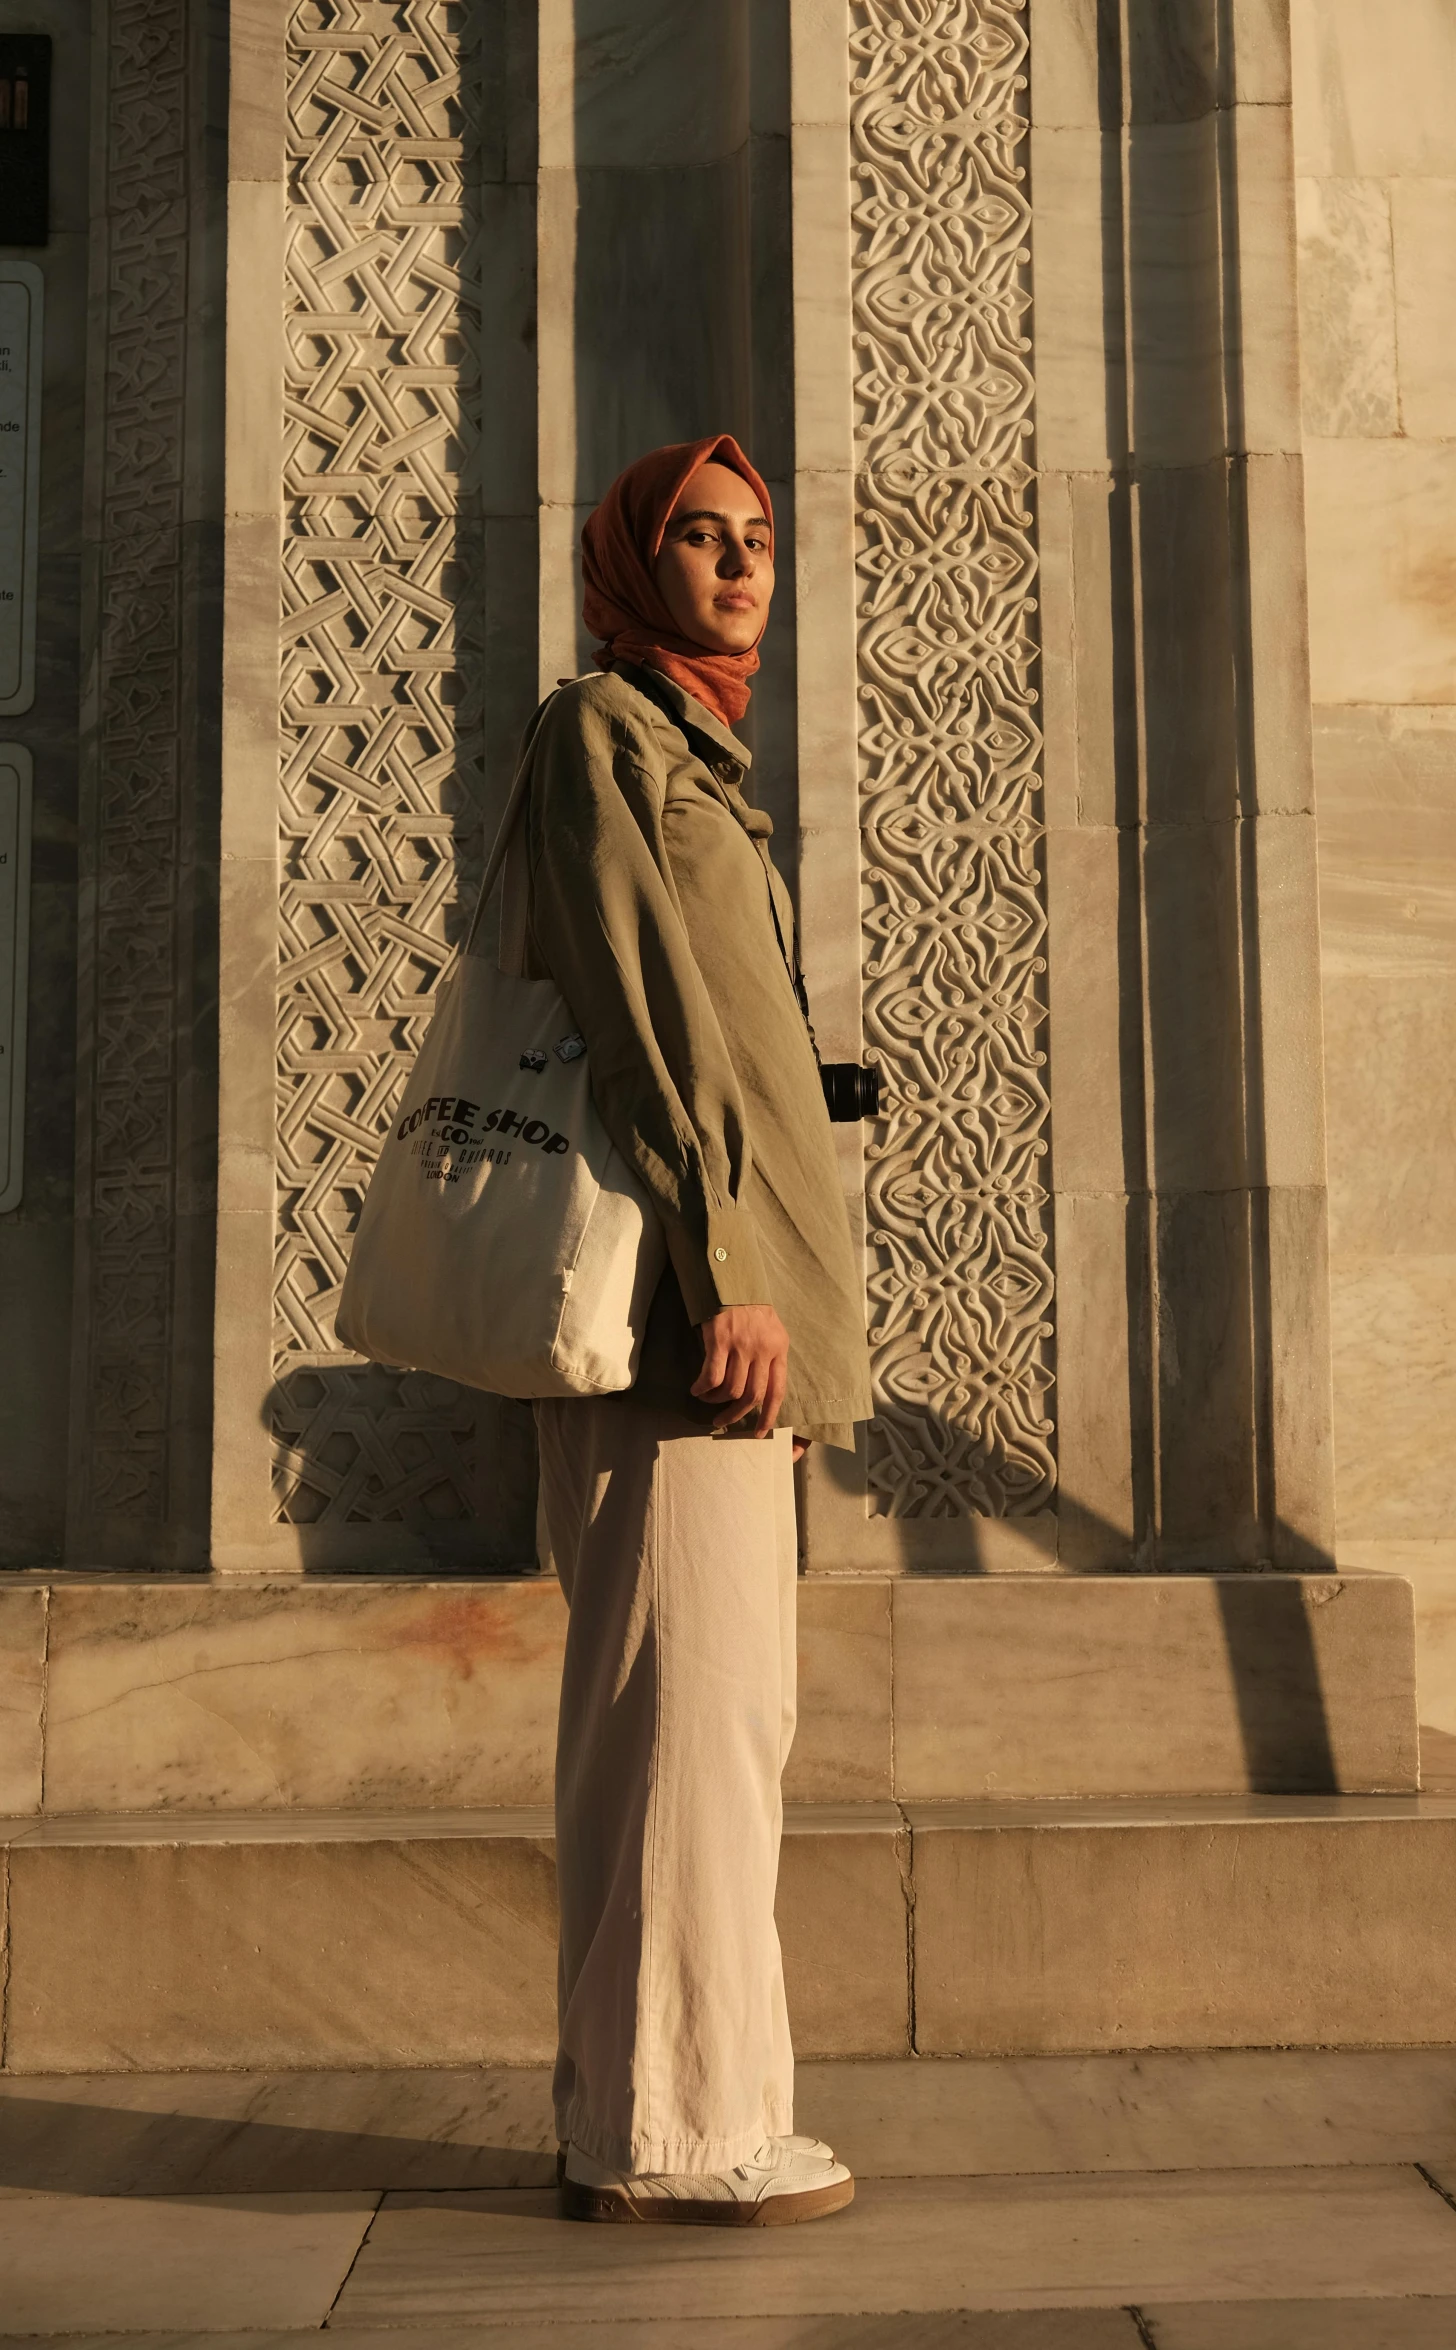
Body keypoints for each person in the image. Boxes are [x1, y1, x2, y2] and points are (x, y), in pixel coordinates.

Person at [501, 435, 872, 2225]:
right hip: (684, 1318)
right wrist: (731, 1271)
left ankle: (644, 2108)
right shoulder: (603, 735)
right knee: (685, 1720)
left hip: (737, 1317)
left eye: (757, 541)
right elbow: (646, 1022)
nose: (737, 566)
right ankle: (675, 2129)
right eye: (700, 539)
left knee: (707, 1714)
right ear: (634, 562)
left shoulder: (703, 760)